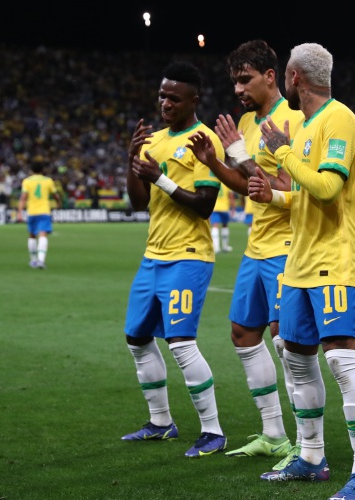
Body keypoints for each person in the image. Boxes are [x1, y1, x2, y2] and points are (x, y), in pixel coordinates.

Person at [246, 42, 355, 500]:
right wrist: (276, 198)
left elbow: (327, 187)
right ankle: (311, 456)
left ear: (293, 77)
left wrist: (283, 155)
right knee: (296, 357)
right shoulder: (304, 128)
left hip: (335, 260)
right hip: (299, 262)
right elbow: (306, 195)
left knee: (341, 360)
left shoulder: (338, 118)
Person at [186, 39, 303, 469]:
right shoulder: (246, 122)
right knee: (242, 334)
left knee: (287, 343)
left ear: (270, 76)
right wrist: (215, 162)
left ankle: (304, 443)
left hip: (288, 246)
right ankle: (273, 434)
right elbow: (247, 185)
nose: (238, 89)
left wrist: (238, 154)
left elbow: (292, 188)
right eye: (234, 80)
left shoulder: (292, 118)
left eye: (245, 79)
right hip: (257, 247)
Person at [121, 61, 228, 459]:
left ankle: (213, 431)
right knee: (137, 338)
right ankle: (161, 422)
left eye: (174, 98)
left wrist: (160, 178)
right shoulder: (155, 140)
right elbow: (138, 202)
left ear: (193, 101)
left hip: (189, 256)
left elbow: (204, 206)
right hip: (153, 256)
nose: (165, 103)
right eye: (162, 95)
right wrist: (132, 160)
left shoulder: (204, 141)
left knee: (181, 343)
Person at [17, 162, 62, 269]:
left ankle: (33, 260)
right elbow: (55, 195)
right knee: (43, 235)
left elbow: (23, 198)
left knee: (32, 235)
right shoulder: (48, 181)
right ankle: (41, 260)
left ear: (31, 171)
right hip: (44, 211)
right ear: (43, 170)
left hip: (32, 211)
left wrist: (19, 212)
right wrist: (59, 203)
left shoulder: (27, 181)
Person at [211, 182, 236, 253]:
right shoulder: (226, 182)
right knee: (225, 226)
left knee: (215, 226)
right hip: (224, 207)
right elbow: (231, 197)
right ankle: (225, 246)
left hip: (215, 207)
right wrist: (233, 208)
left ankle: (216, 247)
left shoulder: (214, 182)